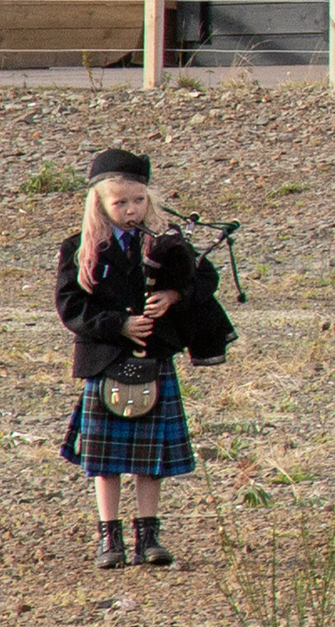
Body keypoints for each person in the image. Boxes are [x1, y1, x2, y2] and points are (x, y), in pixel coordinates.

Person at [57, 150, 236, 569]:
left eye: (138, 200)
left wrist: (173, 295)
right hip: (106, 362)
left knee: (149, 462)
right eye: (120, 202)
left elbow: (204, 275)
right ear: (99, 203)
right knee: (105, 462)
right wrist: (118, 325)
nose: (131, 209)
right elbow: (70, 306)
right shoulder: (79, 248)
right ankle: (109, 538)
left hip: (154, 361)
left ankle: (148, 537)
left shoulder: (163, 243)